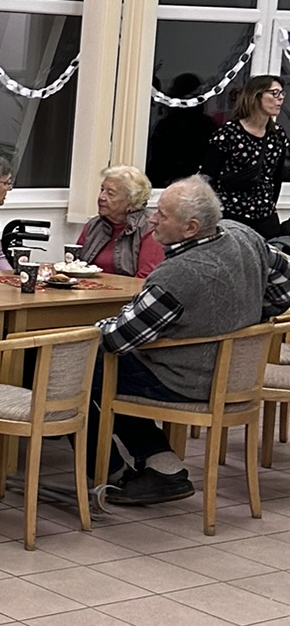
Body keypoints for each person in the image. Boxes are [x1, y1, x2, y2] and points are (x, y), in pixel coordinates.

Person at [95, 175, 290, 506]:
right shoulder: (244, 236)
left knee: (91, 364)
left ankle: (120, 471)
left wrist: (91, 328)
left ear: (191, 228)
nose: (152, 220)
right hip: (238, 376)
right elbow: (285, 285)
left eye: (163, 215)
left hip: (189, 380)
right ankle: (161, 464)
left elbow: (117, 338)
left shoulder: (177, 276)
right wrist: (249, 316)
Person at [202, 74, 289, 238]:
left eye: (281, 93)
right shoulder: (229, 133)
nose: (280, 98)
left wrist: (270, 205)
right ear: (255, 96)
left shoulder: (277, 135)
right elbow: (208, 176)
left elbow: (276, 177)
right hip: (230, 215)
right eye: (274, 93)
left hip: (264, 216)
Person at [77, 165, 165, 277]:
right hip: (87, 287)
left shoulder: (150, 228)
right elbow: (75, 266)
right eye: (102, 190)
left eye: (110, 193)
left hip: (128, 289)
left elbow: (145, 278)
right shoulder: (93, 225)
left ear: (131, 201)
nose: (101, 197)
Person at [146, 76, 218, 187]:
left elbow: (157, 163)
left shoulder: (166, 125)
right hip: (194, 184)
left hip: (168, 183)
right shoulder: (208, 125)